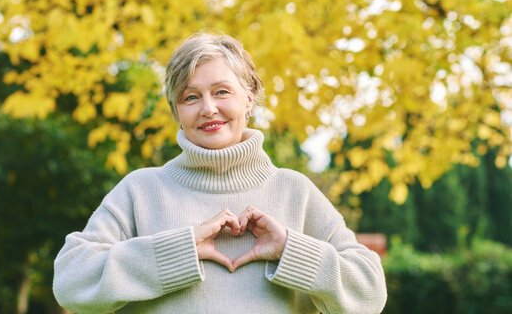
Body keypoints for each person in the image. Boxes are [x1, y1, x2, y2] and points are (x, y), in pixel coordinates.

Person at [53, 32, 387, 314]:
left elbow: (369, 294)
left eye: (222, 91)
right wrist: (177, 253)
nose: (208, 108)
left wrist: (290, 250)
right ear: (176, 111)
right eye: (190, 97)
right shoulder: (141, 190)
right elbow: (71, 281)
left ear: (249, 98)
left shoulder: (293, 191)